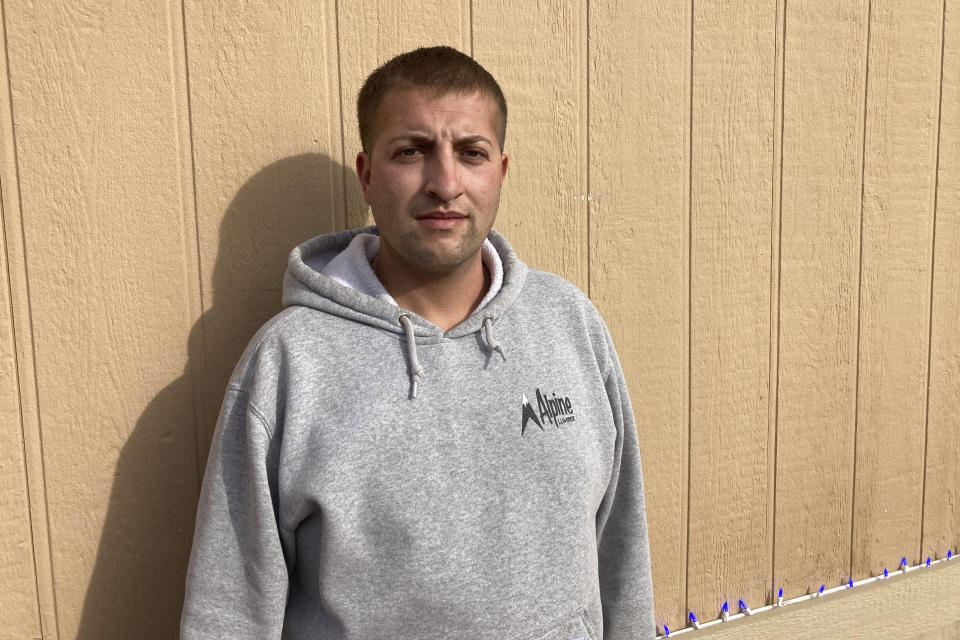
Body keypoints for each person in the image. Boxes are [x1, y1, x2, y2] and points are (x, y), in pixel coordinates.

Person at [181, 46, 655, 639]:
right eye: (411, 152)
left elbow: (621, 545)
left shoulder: (569, 324)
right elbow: (232, 605)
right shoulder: (290, 363)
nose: (445, 183)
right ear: (367, 174)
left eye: (471, 153)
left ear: (500, 173)